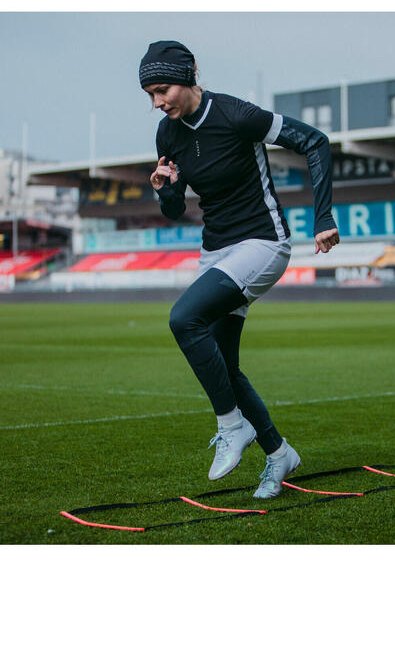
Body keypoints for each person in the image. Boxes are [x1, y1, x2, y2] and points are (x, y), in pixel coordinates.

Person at [141, 40, 339, 499]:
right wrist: (164, 191)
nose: (157, 102)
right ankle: (278, 453)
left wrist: (324, 217)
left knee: (183, 319)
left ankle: (232, 426)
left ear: (187, 75)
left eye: (163, 88)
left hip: (263, 243)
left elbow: (316, 142)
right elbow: (174, 210)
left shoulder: (234, 114)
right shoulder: (167, 135)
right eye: (149, 94)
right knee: (224, 366)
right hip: (217, 252)